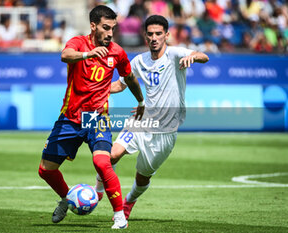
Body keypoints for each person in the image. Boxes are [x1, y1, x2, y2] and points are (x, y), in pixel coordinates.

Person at [38, 5, 144, 229]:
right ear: (93, 26)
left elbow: (130, 78)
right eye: (106, 28)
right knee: (45, 170)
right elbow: (64, 55)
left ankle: (119, 216)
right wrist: (88, 53)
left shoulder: (117, 52)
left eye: (113, 28)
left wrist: (141, 101)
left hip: (97, 118)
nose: (110, 33)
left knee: (101, 161)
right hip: (70, 117)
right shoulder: (78, 43)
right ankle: (68, 198)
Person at [95, 15, 209, 220]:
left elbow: (203, 56)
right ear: (145, 36)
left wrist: (193, 57)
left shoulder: (175, 54)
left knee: (142, 177)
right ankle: (98, 192)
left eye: (158, 34)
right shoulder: (139, 61)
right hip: (142, 120)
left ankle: (128, 201)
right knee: (111, 155)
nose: (154, 38)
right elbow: (121, 84)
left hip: (165, 131)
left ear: (166, 35)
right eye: (150, 34)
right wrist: (96, 88)